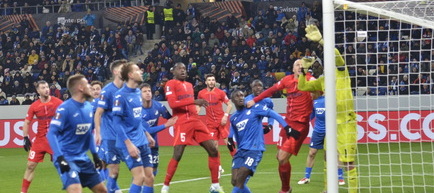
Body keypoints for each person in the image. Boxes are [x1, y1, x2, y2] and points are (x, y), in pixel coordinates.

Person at [297, 24, 358, 193]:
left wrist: (323, 41)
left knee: (347, 161)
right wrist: (304, 70)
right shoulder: (323, 81)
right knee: (327, 158)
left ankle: (353, 191)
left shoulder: (341, 71)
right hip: (331, 125)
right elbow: (303, 86)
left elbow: (337, 55)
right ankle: (327, 189)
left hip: (346, 122)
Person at [246, 58, 315, 193]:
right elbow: (270, 90)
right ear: (293, 68)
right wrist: (255, 100)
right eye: (297, 65)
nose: (300, 67)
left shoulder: (310, 80)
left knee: (283, 157)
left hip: (300, 125)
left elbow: (321, 91)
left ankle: (285, 190)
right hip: (287, 123)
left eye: (302, 65)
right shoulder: (287, 80)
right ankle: (287, 188)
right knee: (279, 157)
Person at [162, 62, 224, 193]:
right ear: (174, 71)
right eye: (179, 68)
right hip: (183, 121)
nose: (183, 70)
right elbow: (173, 104)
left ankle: (215, 186)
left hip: (195, 120)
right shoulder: (170, 84)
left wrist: (195, 104)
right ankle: (165, 186)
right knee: (178, 154)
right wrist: (194, 101)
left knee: (213, 150)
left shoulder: (189, 85)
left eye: (184, 68)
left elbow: (189, 103)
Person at [228, 90, 299, 193]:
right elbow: (234, 132)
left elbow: (273, 114)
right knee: (234, 181)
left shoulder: (255, 109)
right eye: (237, 96)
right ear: (233, 100)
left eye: (242, 95)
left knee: (239, 181)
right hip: (241, 151)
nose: (241, 97)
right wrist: (230, 139)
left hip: (254, 150)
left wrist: (286, 127)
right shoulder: (234, 117)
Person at [47, 74, 107, 193]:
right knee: (75, 190)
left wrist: (95, 155)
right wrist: (60, 158)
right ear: (80, 87)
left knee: (102, 190)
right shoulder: (65, 109)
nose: (90, 87)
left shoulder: (89, 107)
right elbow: (51, 134)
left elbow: (88, 133)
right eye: (87, 84)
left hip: (83, 158)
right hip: (67, 158)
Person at [112, 62, 155, 193]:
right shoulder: (120, 96)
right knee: (139, 177)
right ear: (130, 75)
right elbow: (116, 123)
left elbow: (138, 119)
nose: (141, 71)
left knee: (150, 177)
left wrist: (147, 135)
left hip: (142, 141)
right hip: (129, 142)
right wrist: (128, 144)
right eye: (137, 70)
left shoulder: (137, 92)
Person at [20, 80, 63, 193]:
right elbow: (27, 122)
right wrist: (25, 137)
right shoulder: (34, 106)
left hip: (54, 140)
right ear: (38, 90)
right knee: (30, 165)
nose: (46, 89)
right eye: (43, 88)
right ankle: (23, 192)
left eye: (47, 87)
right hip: (40, 140)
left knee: (62, 167)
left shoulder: (58, 102)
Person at [297, 94, 345, 185]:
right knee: (312, 153)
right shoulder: (315, 101)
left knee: (334, 154)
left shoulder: (334, 99)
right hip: (318, 131)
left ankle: (340, 177)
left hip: (331, 131)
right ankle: (306, 177)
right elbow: (311, 116)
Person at [94, 59, 127, 193]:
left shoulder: (129, 89)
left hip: (126, 136)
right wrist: (98, 133)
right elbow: (98, 114)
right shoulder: (107, 91)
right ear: (115, 72)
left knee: (139, 167)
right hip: (110, 136)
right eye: (122, 68)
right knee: (111, 167)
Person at [197, 74, 233, 173]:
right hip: (210, 123)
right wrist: (195, 115)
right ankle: (218, 167)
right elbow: (199, 107)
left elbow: (229, 104)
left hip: (222, 122)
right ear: (206, 82)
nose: (211, 82)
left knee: (228, 143)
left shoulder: (220, 92)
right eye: (209, 80)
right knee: (213, 146)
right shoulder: (201, 93)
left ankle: (237, 163)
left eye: (213, 80)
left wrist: (225, 116)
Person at [140, 83, 177, 176]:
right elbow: (147, 130)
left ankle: (149, 188)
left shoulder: (159, 106)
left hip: (154, 143)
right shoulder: (138, 110)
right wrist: (165, 125)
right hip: (140, 143)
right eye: (144, 91)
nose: (147, 93)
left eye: (149, 91)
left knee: (154, 167)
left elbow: (170, 118)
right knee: (140, 172)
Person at [90, 80, 108, 181]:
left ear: (102, 90)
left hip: (108, 135)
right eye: (93, 89)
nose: (96, 91)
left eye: (98, 89)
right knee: (101, 162)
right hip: (99, 136)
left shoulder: (98, 103)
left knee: (105, 162)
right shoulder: (92, 104)